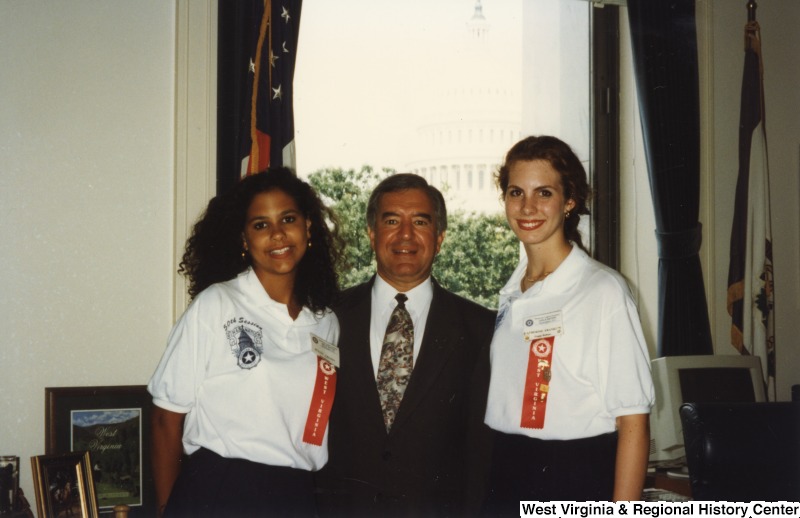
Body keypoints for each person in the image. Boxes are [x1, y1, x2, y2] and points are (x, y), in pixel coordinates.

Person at [148, 167, 343, 517]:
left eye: (288, 219)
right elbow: (166, 419)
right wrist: (167, 509)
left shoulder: (326, 322)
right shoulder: (217, 304)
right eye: (261, 225)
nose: (278, 234)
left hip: (296, 494)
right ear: (243, 239)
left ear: (308, 227)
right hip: (221, 489)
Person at [482, 136, 654, 510]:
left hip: (572, 476)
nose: (527, 207)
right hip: (504, 471)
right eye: (516, 192)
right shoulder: (512, 291)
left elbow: (634, 422)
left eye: (544, 193)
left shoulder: (602, 291)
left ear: (570, 200)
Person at [314, 173, 496, 517]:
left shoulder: (479, 329)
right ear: (372, 234)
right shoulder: (325, 318)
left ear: (439, 238)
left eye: (421, 222)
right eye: (392, 221)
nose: (406, 235)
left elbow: (482, 451)